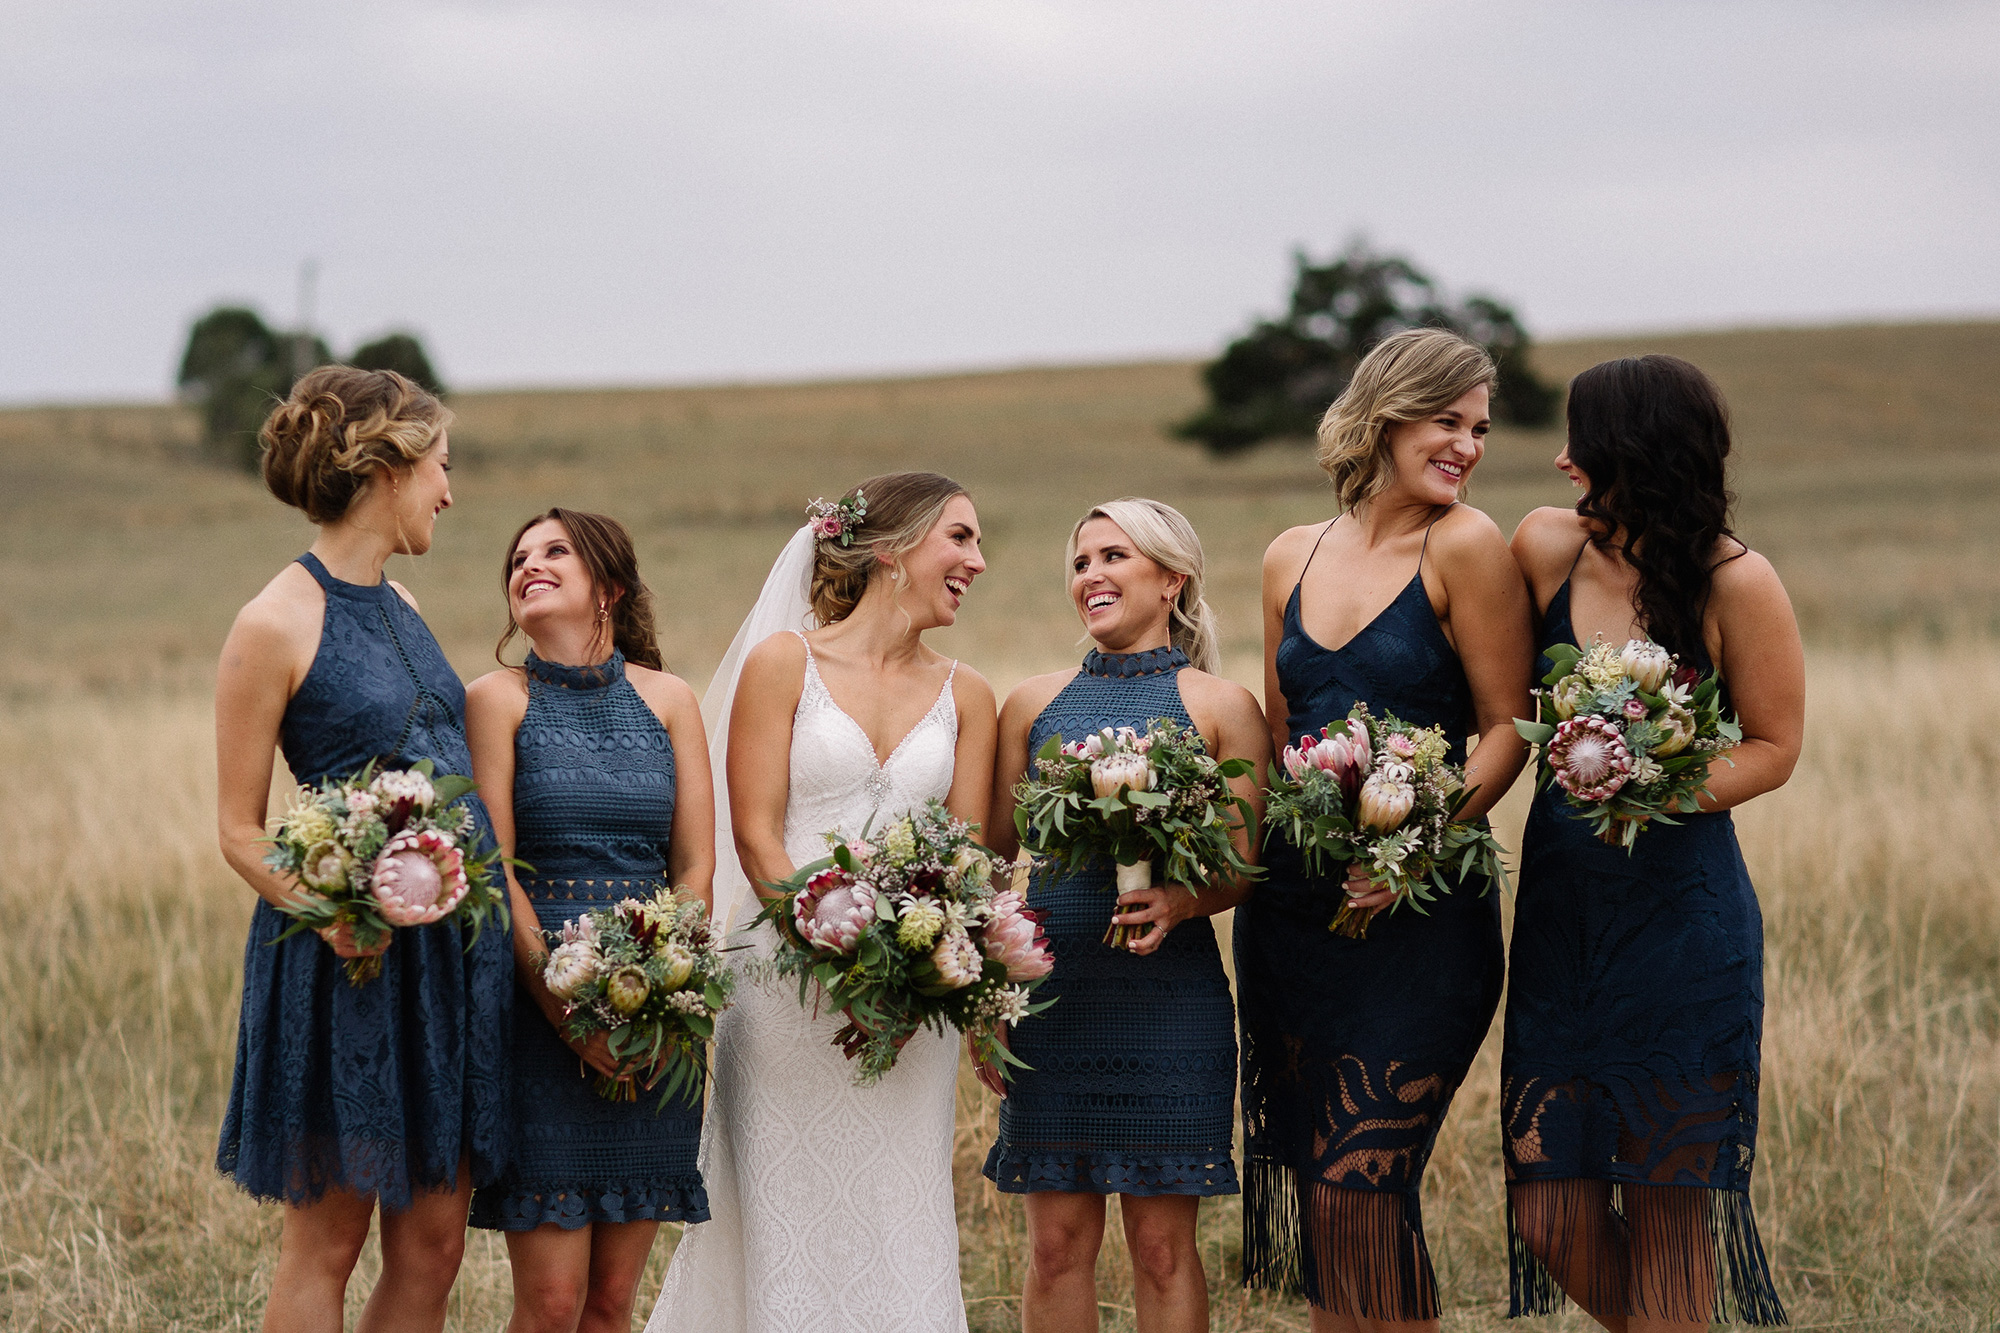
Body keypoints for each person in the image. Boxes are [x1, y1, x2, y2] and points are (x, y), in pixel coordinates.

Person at [646, 472, 997, 1333]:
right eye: (960, 537)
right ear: (893, 548)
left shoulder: (970, 694)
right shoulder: (785, 664)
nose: (978, 561)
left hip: (913, 1010)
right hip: (783, 989)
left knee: (899, 1208)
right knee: (775, 1212)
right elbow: (758, 837)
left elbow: (968, 860)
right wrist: (836, 960)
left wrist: (913, 977)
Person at [1236, 327, 1533, 1328]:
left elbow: (1506, 727)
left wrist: (1413, 844)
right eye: (1445, 421)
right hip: (1290, 921)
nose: (1466, 445)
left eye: (1478, 428)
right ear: (1386, 413)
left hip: (1421, 919)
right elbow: (1280, 738)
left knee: (1357, 1189)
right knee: (1326, 1206)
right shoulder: (1289, 554)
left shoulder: (1464, 544)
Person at [1502, 355, 1802, 1330]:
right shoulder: (1544, 549)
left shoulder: (1734, 579)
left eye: (1578, 441)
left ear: (1626, 450)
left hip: (1681, 926)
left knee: (1668, 1218)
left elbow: (1771, 747)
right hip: (1559, 924)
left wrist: (1650, 785)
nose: (1559, 461)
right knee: (1548, 1212)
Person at [213, 366, 511, 1333]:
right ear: (387, 466)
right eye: (440, 468)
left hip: (450, 965)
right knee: (328, 1247)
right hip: (349, 967)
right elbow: (239, 829)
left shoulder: (406, 607)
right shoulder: (273, 621)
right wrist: (334, 917)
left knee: (435, 1246)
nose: (450, 492)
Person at [976, 498, 1268, 1333]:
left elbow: (1246, 865)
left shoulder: (1221, 704)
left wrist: (1181, 900)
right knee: (1057, 1246)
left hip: (1169, 1005)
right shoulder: (1031, 703)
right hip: (1050, 1003)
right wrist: (984, 1003)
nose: (1091, 576)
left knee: (1163, 1250)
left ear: (1172, 579)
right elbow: (995, 863)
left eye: (1113, 557)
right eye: (1080, 562)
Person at [464, 508, 718, 1332]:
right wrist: (566, 1012)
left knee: (611, 1303)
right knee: (549, 1303)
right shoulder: (496, 700)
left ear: (609, 585)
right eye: (519, 556)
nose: (529, 564)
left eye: (554, 551)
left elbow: (694, 865)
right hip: (542, 1022)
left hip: (655, 1023)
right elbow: (494, 870)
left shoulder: (672, 699)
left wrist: (663, 998)